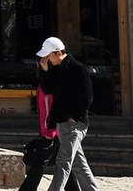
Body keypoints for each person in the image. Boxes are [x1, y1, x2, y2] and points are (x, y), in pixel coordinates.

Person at [36, 36, 100, 191]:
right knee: (78, 164)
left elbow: (87, 96)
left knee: (63, 160)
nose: (48, 60)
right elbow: (48, 89)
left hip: (74, 124)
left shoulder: (78, 68)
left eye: (49, 56)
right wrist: (45, 71)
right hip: (62, 123)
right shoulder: (57, 69)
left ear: (58, 53)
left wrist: (74, 117)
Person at [18, 62, 77, 191]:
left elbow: (47, 109)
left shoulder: (48, 85)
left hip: (53, 130)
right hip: (58, 128)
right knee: (61, 160)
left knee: (41, 161)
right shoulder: (55, 83)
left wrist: (48, 132)